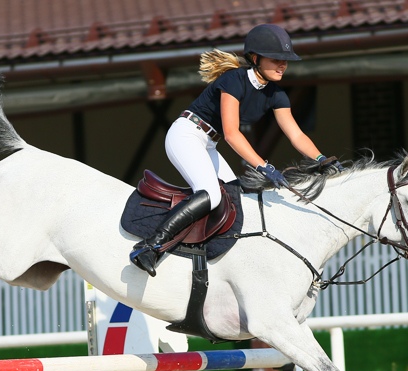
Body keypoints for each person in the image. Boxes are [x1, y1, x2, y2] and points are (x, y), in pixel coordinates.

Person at [130, 23, 341, 276]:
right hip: (186, 134)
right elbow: (232, 134)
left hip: (207, 142)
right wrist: (263, 166)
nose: (283, 65)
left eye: (286, 60)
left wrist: (320, 158)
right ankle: (151, 246)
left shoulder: (277, 94)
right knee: (211, 194)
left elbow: (295, 133)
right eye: (276, 59)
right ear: (255, 58)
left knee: (234, 197)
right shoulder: (233, 80)